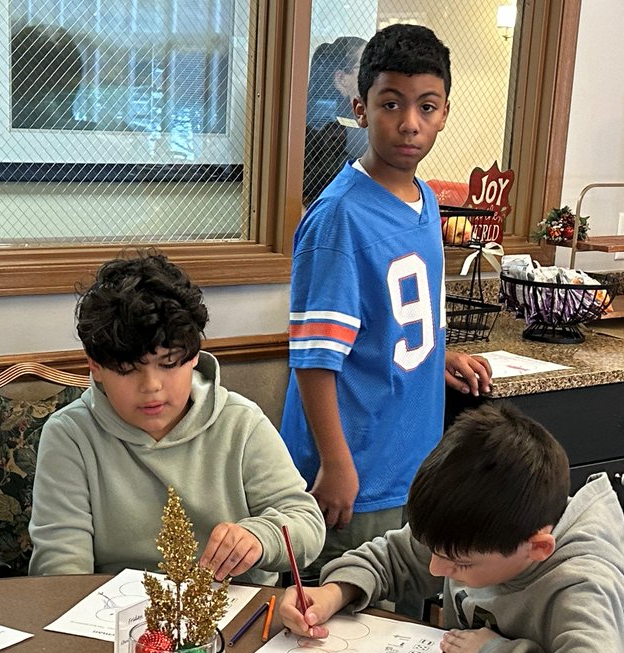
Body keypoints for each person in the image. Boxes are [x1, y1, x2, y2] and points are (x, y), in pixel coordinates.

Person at [279, 404, 624, 653]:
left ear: (537, 548)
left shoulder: (585, 587)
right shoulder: (473, 531)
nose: (435, 570)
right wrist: (334, 593)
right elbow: (394, 557)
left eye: (459, 564)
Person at [280, 23, 493, 587]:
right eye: (391, 104)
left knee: (400, 621)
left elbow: (393, 316)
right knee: (344, 615)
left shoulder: (424, 199)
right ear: (360, 109)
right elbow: (314, 358)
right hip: (353, 473)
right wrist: (336, 465)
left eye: (427, 106)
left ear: (444, 113)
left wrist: (433, 354)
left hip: (412, 464)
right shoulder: (339, 218)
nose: (409, 123)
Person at [28, 251, 325, 584]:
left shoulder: (241, 423)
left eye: (169, 364)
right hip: (111, 608)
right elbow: (62, 571)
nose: (151, 387)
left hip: (231, 606)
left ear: (194, 355)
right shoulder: (70, 434)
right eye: (127, 369)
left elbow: (307, 524)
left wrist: (260, 537)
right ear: (95, 366)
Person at [303, 36, 369, 207]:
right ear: (341, 79)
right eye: (365, 67)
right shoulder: (322, 124)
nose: (374, 75)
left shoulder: (371, 119)